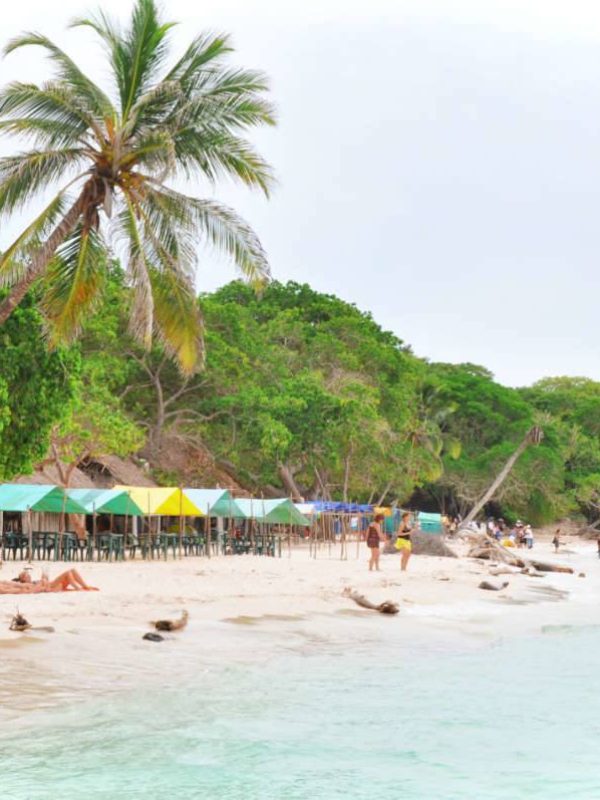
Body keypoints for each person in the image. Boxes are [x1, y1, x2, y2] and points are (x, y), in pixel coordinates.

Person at [0, 569, 98, 594]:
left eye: (27, 573)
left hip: (53, 585)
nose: (28, 574)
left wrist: (43, 578)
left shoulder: (32, 582)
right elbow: (39, 588)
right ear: (22, 579)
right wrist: (43, 582)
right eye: (25, 575)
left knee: (72, 571)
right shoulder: (26, 585)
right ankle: (80, 589)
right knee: (69, 572)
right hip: (52, 586)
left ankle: (85, 586)